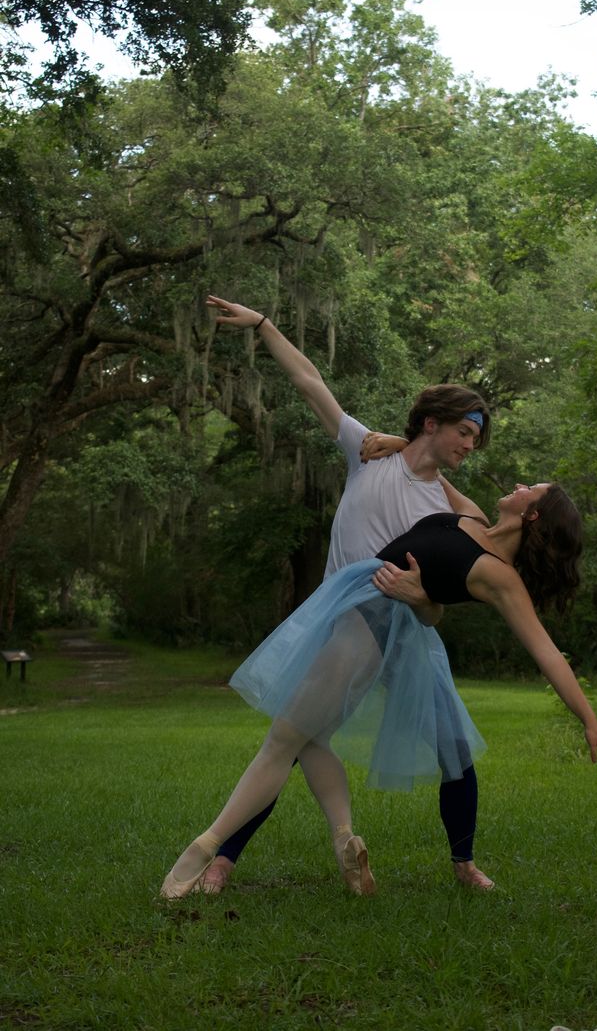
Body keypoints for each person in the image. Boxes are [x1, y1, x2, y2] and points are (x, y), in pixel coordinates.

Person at [160, 480, 597, 901]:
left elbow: (547, 652)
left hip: (369, 632)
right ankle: (343, 837)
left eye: (530, 488)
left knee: (283, 741)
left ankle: (205, 847)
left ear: (534, 514)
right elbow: (428, 468)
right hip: (352, 617)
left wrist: (589, 720)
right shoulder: (473, 518)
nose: (520, 485)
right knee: (312, 740)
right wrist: (397, 443)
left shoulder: (500, 577)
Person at [193, 296, 494, 896]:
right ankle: (225, 861)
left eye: (476, 439)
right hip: (345, 627)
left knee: (453, 748)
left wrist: (451, 508)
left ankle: (463, 864)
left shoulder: (448, 509)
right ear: (431, 422)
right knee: (297, 737)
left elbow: (444, 595)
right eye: (464, 432)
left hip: (407, 634)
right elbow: (310, 381)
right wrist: (264, 324)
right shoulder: (365, 455)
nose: (470, 445)